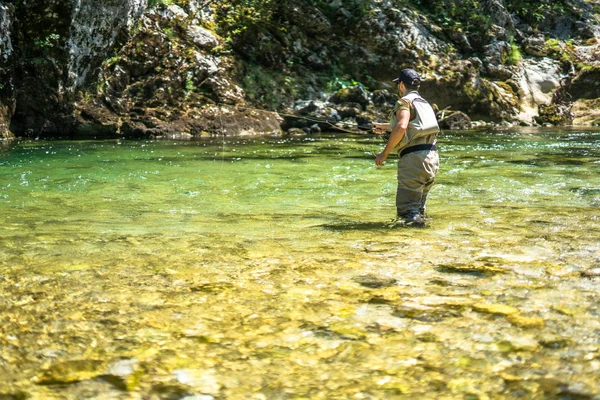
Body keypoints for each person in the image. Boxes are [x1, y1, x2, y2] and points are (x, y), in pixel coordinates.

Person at [373, 68, 440, 227]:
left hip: (414, 160)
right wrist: (386, 127)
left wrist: (384, 153)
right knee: (419, 209)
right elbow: (415, 127)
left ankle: (410, 245)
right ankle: (425, 242)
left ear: (401, 84)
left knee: (407, 211)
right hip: (431, 158)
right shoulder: (424, 103)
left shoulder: (404, 102)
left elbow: (402, 126)